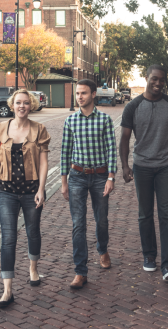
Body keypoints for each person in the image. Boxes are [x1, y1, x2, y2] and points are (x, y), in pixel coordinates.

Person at [120, 65, 168, 282]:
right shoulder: (133, 106)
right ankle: (149, 256)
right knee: (145, 214)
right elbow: (124, 139)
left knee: (167, 216)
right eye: (154, 79)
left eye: (161, 80)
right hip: (142, 166)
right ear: (146, 78)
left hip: (166, 166)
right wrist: (125, 166)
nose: (158, 83)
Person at [0, 89, 50, 308]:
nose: (21, 106)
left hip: (32, 190)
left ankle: (33, 269)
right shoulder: (0, 129)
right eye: (18, 103)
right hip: (6, 191)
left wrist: (42, 189)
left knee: (33, 231)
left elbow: (43, 161)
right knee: (8, 238)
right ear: (12, 105)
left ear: (31, 105)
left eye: (25, 103)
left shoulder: (39, 129)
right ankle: (7, 290)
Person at [60, 79, 117, 290]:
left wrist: (111, 177)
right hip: (77, 176)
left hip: (101, 176)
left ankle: (102, 249)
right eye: (77, 94)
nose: (79, 97)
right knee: (78, 224)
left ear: (93, 94)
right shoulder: (70, 121)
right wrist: (63, 181)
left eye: (83, 93)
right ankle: (80, 271)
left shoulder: (105, 120)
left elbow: (112, 149)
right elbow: (65, 151)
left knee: (101, 220)